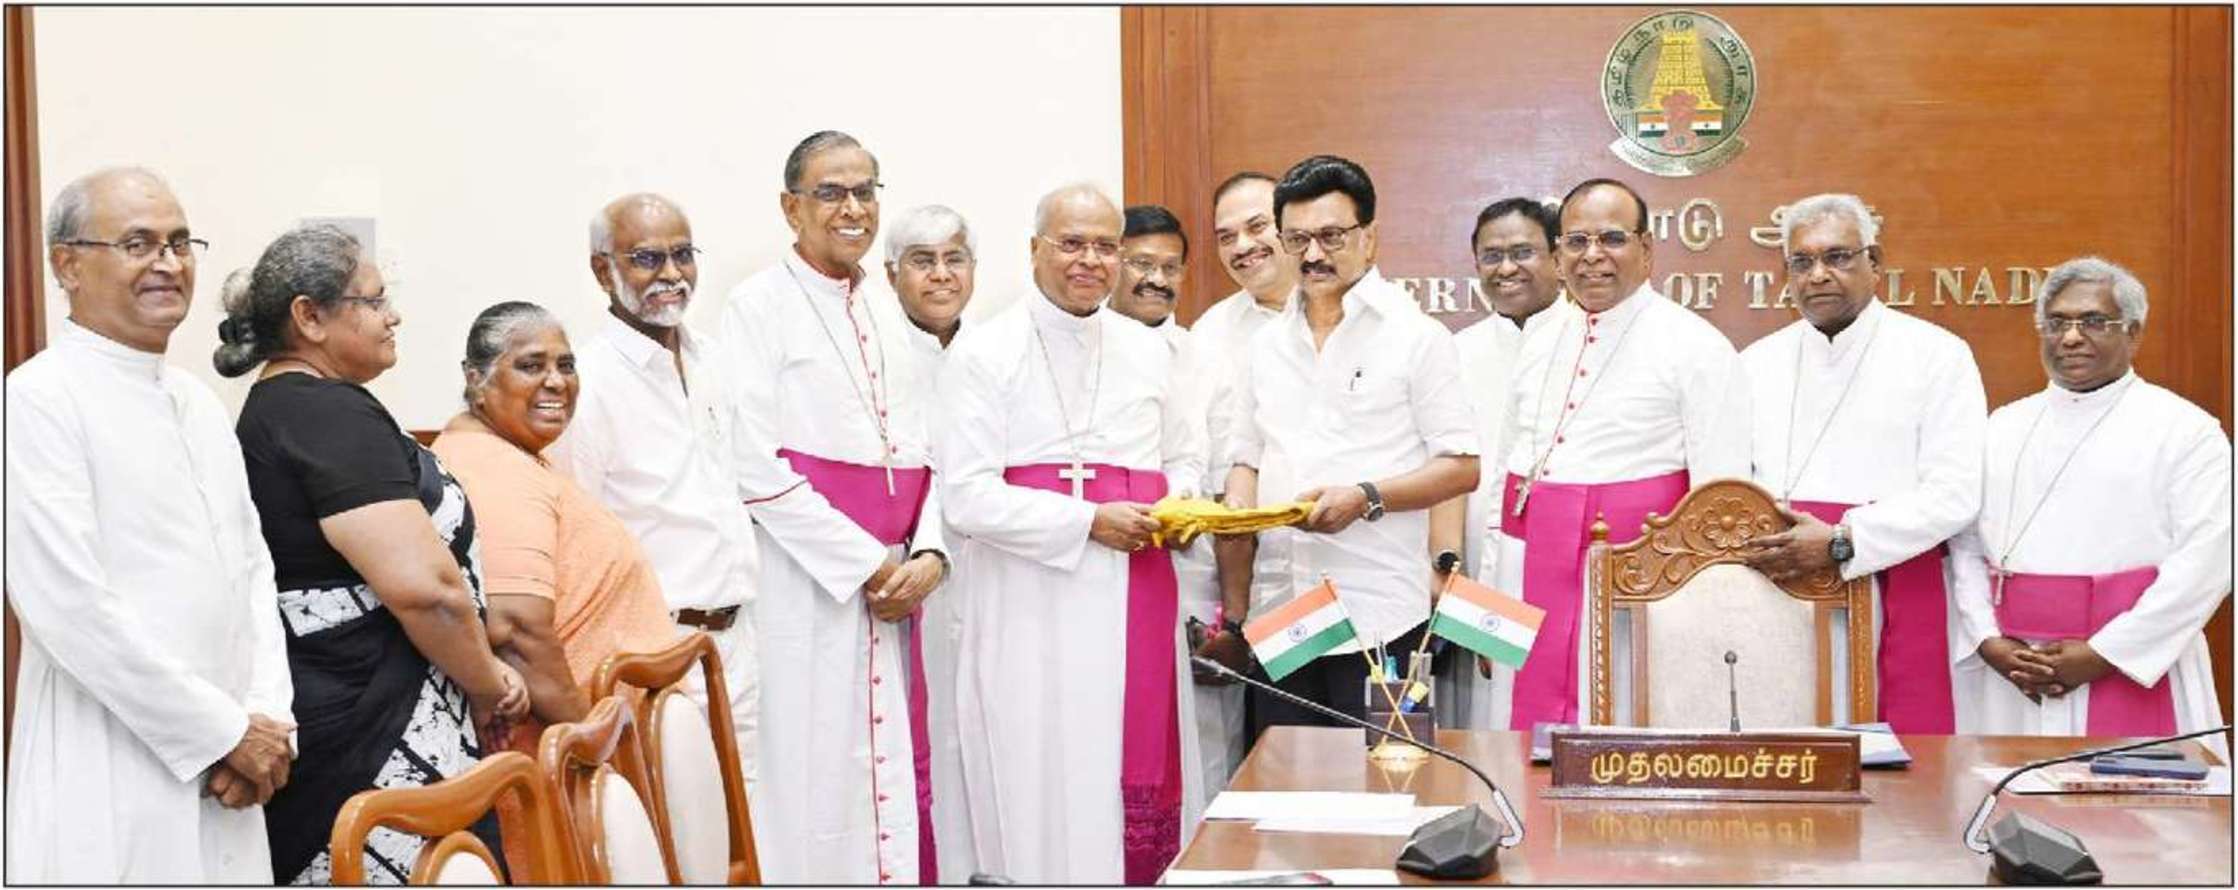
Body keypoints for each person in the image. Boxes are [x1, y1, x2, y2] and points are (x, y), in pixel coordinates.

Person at [5, 167, 295, 883]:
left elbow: (251, 572)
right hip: (111, 757)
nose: (168, 263)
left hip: (235, 762)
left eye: (179, 243)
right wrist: (220, 732)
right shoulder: (38, 399)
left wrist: (267, 720)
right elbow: (68, 606)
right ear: (67, 265)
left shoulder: (197, 402)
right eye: (138, 244)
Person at [217, 223, 529, 884]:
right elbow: (427, 591)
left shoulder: (301, 407)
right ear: (310, 317)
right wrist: (490, 684)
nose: (394, 315)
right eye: (374, 299)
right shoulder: (319, 413)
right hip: (371, 734)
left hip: (379, 714)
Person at [936, 182, 1205, 884]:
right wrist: (1087, 521)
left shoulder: (1150, 350)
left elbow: (1185, 458)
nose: (1090, 260)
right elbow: (966, 497)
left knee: (1123, 760)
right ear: (1035, 249)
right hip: (1029, 607)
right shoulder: (985, 350)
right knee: (1039, 770)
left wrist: (1179, 508)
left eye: (1105, 246)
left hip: (1136, 591)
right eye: (1072, 243)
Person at [718, 130, 952, 885]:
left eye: (864, 191)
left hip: (899, 585)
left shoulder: (888, 308)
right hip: (807, 586)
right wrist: (866, 564)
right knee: (812, 774)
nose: (852, 208)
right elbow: (750, 462)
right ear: (791, 208)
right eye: (830, 193)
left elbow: (940, 451)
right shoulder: (756, 307)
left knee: (893, 776)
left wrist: (931, 553)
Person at [1217, 155, 1480, 731]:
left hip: (1380, 613)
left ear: (1369, 238)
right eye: (1297, 240)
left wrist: (1365, 498)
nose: (1313, 254)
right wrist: (1236, 507)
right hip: (1283, 611)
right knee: (1282, 778)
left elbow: (1461, 468)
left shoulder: (1417, 337)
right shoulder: (1265, 346)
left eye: (1331, 236)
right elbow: (1246, 456)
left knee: (1386, 777)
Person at [1492, 177, 1749, 730]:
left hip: (1638, 583)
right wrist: (1484, 615)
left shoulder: (1697, 346)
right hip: (1525, 573)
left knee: (1621, 722)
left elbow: (1722, 503)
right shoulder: (1540, 338)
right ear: (1557, 254)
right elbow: (1505, 480)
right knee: (1517, 729)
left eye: (1611, 238)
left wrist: (1706, 622)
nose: (1592, 257)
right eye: (1576, 242)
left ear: (1647, 248)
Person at [1949, 257, 2230, 742]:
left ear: (2133, 332)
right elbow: (1965, 544)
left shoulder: (2185, 431)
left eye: (2094, 321)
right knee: (2010, 787)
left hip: (2132, 661)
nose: (2072, 337)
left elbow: (2208, 561)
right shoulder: (2003, 427)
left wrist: (2106, 653)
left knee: (2136, 790)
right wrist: (1987, 638)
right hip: (2018, 666)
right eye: (2057, 323)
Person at [545, 193, 766, 799]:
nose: (671, 274)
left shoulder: (713, 360)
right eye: (647, 258)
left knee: (742, 821)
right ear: (603, 270)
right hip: (649, 651)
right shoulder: (589, 383)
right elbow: (575, 543)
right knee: (670, 827)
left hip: (736, 642)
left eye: (682, 255)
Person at [1738, 193, 1984, 735]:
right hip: (1781, 588)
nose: (1818, 275)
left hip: (1895, 582)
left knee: (1898, 762)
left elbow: (1957, 493)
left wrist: (1842, 541)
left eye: (1838, 257)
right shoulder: (1755, 363)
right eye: (1802, 262)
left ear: (1875, 262)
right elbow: (1736, 482)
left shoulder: (1938, 355)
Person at [430, 302, 679, 748]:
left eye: (566, 365)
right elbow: (516, 631)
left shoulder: (510, 455)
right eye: (531, 366)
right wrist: (595, 742)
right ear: (476, 379)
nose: (557, 381)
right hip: (570, 753)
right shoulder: (491, 468)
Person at [1439, 196, 1580, 729]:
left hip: (1565, 579)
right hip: (1475, 582)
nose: (1506, 268)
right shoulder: (1455, 352)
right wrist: (1466, 610)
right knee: (1485, 724)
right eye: (1491, 256)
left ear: (1557, 258)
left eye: (1523, 252)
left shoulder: (1586, 341)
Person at [882, 202, 980, 881]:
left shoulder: (997, 352)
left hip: (992, 575)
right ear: (892, 275)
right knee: (918, 743)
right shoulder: (877, 356)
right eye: (923, 261)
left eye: (954, 259)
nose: (941, 275)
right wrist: (926, 551)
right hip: (909, 577)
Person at [1189, 172, 1296, 749]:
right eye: (1226, 237)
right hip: (1257, 589)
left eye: (1258, 227)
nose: (1243, 247)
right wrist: (1233, 615)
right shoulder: (1210, 334)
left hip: (1356, 581)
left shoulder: (1353, 316)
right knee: (1277, 754)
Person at [1109, 204, 1191, 339]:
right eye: (1143, 264)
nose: (1159, 281)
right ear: (1111, 265)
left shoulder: (1193, 348)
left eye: (1170, 267)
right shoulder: (1084, 340)